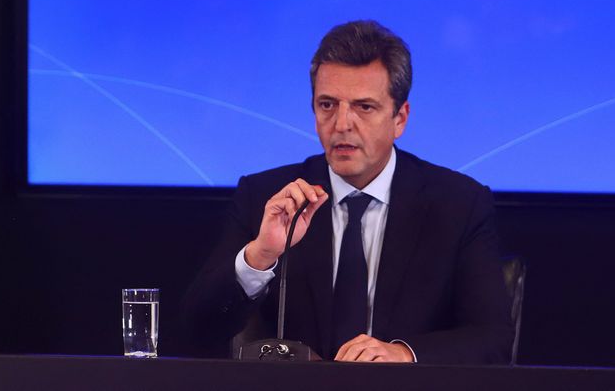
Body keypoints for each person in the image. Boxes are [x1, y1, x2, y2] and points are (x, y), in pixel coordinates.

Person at [181, 20, 513, 364]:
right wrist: (260, 256)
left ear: (400, 118)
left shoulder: (458, 204)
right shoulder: (266, 197)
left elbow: (493, 338)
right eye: (327, 105)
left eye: (363, 107)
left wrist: (404, 354)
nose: (341, 124)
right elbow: (198, 329)